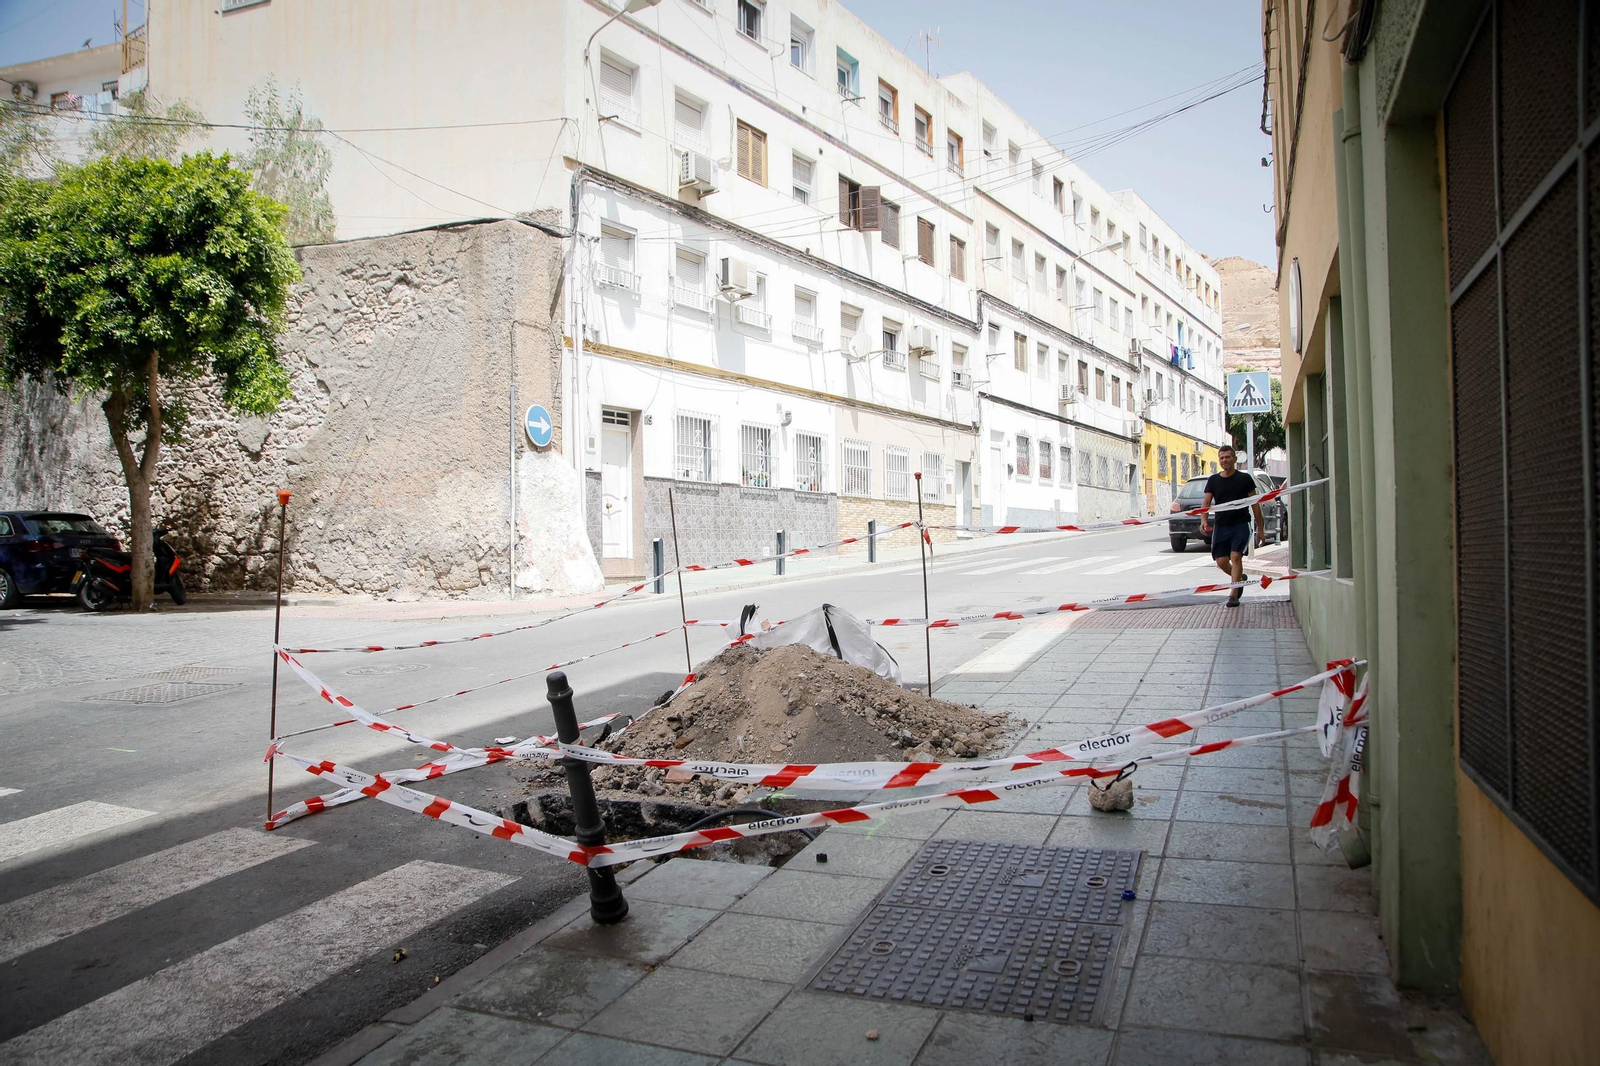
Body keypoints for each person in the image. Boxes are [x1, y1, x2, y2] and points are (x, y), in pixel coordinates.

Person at [1199, 444, 1265, 607]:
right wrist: (1203, 520)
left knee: (1235, 556)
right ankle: (1240, 579)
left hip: (1240, 524)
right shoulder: (1213, 480)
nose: (1225, 460)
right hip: (1221, 525)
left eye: (1228, 457)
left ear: (1235, 459)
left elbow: (1255, 504)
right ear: (1219, 460)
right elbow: (1206, 502)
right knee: (1221, 562)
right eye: (1222, 458)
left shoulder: (1245, 479)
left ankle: (1233, 595)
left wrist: (1260, 529)